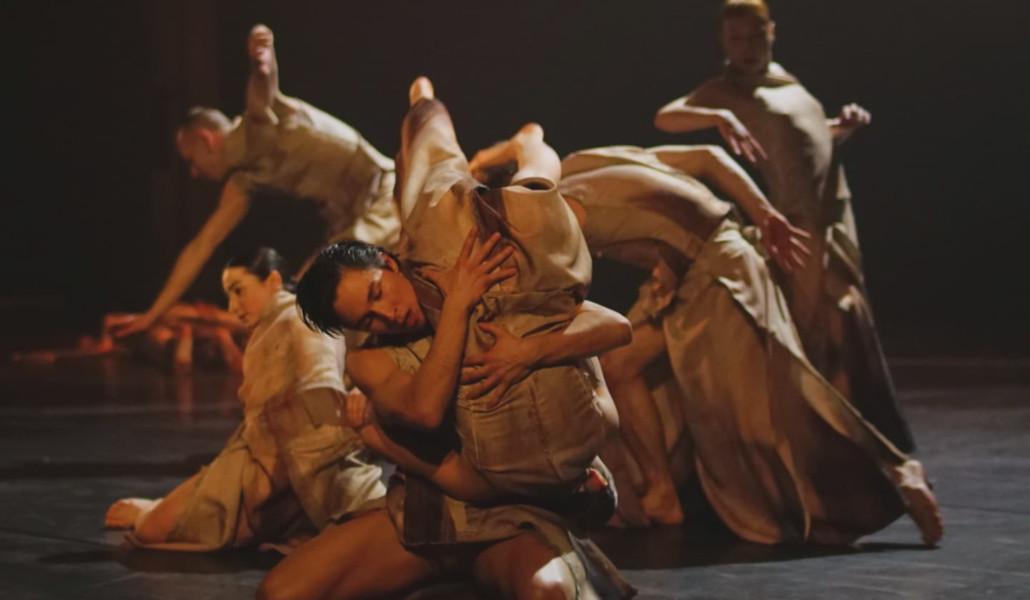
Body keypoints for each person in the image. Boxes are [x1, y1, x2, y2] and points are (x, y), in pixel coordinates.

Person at [255, 79, 636, 600]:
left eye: (377, 292)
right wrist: (457, 305)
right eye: (369, 318)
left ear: (388, 262)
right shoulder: (371, 361)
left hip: (514, 518)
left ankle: (521, 138)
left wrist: (525, 352)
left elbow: (611, 324)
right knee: (282, 593)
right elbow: (425, 411)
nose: (387, 314)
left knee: (547, 594)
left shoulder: (472, 263)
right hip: (430, 514)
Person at [556, 144, 941, 545]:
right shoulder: (581, 163)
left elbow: (557, 295)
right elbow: (707, 157)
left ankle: (896, 474)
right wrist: (763, 215)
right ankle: (662, 492)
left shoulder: (560, 213)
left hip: (722, 277)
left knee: (771, 411)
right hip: (689, 270)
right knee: (620, 364)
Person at [654, 0, 914, 452]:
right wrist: (717, 115)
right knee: (810, 331)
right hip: (798, 222)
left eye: (755, 36)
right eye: (736, 39)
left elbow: (802, 142)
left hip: (834, 214)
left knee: (843, 326)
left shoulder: (784, 79)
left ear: (772, 32)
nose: (747, 47)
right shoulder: (727, 90)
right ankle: (804, 442)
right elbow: (665, 117)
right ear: (723, 42)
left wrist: (841, 127)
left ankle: (850, 441)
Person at [113, 24, 399, 338]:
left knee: (314, 291)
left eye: (191, 161)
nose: (194, 173)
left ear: (206, 140)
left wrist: (262, 56)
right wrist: (151, 316)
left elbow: (263, 85)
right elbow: (201, 246)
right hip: (354, 220)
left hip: (386, 197)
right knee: (299, 300)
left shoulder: (258, 124)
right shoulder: (243, 181)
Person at [104, 248, 385, 551]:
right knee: (156, 525)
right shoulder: (273, 322)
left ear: (272, 281)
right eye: (229, 295)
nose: (233, 306)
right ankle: (167, 507)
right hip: (258, 460)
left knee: (150, 529)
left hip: (282, 473)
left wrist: (338, 416)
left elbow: (320, 374)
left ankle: (164, 511)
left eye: (239, 291)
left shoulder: (300, 317)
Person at [11, 302, 246, 373]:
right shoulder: (127, 344)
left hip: (180, 333)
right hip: (177, 341)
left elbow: (110, 321)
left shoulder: (132, 332)